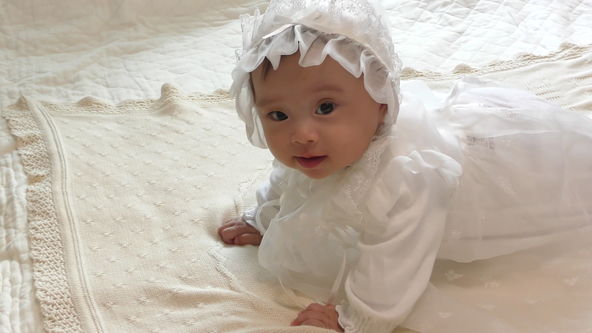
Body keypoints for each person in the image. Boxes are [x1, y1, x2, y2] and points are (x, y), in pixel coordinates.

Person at [218, 0, 592, 332]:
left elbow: (396, 260)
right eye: (278, 114)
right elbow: (288, 180)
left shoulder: (410, 175)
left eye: (326, 107)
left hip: (515, 185)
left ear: (381, 101)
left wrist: (356, 318)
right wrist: (262, 218)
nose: (301, 134)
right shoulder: (319, 145)